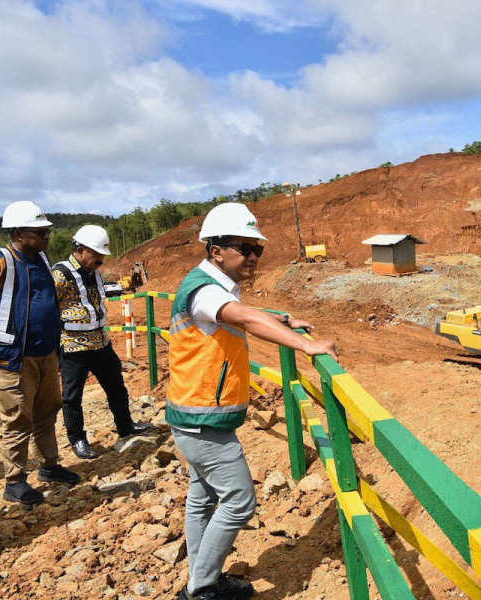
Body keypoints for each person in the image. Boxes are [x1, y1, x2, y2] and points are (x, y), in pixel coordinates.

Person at [167, 203, 338, 600]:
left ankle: (202, 576)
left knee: (203, 498)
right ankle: (201, 588)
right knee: (240, 503)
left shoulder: (212, 283)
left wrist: (281, 317)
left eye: (257, 249)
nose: (254, 257)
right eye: (245, 248)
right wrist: (306, 345)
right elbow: (241, 317)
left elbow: (241, 311)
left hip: (192, 414)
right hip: (202, 422)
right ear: (216, 250)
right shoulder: (205, 289)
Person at [0, 201, 80, 506]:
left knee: (46, 411)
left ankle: (48, 466)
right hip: (11, 359)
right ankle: (15, 481)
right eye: (39, 231)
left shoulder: (43, 259)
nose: (46, 235)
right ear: (19, 233)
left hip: (45, 353)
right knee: (18, 417)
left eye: (47, 230)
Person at [52, 225, 152, 459]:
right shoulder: (60, 274)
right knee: (72, 396)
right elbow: (48, 308)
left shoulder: (93, 271)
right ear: (80, 250)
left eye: (102, 255)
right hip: (74, 345)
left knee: (116, 386)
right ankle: (77, 440)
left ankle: (125, 426)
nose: (101, 259)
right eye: (96, 254)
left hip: (100, 341)